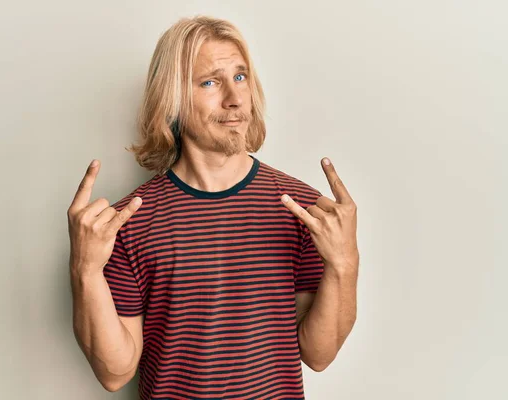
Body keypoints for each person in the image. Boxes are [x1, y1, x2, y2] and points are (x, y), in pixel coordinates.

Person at [67, 15, 359, 400]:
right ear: (172, 99)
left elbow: (318, 355)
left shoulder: (302, 209)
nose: (235, 98)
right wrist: (84, 269)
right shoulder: (128, 224)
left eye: (240, 78)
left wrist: (345, 263)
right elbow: (114, 372)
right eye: (210, 82)